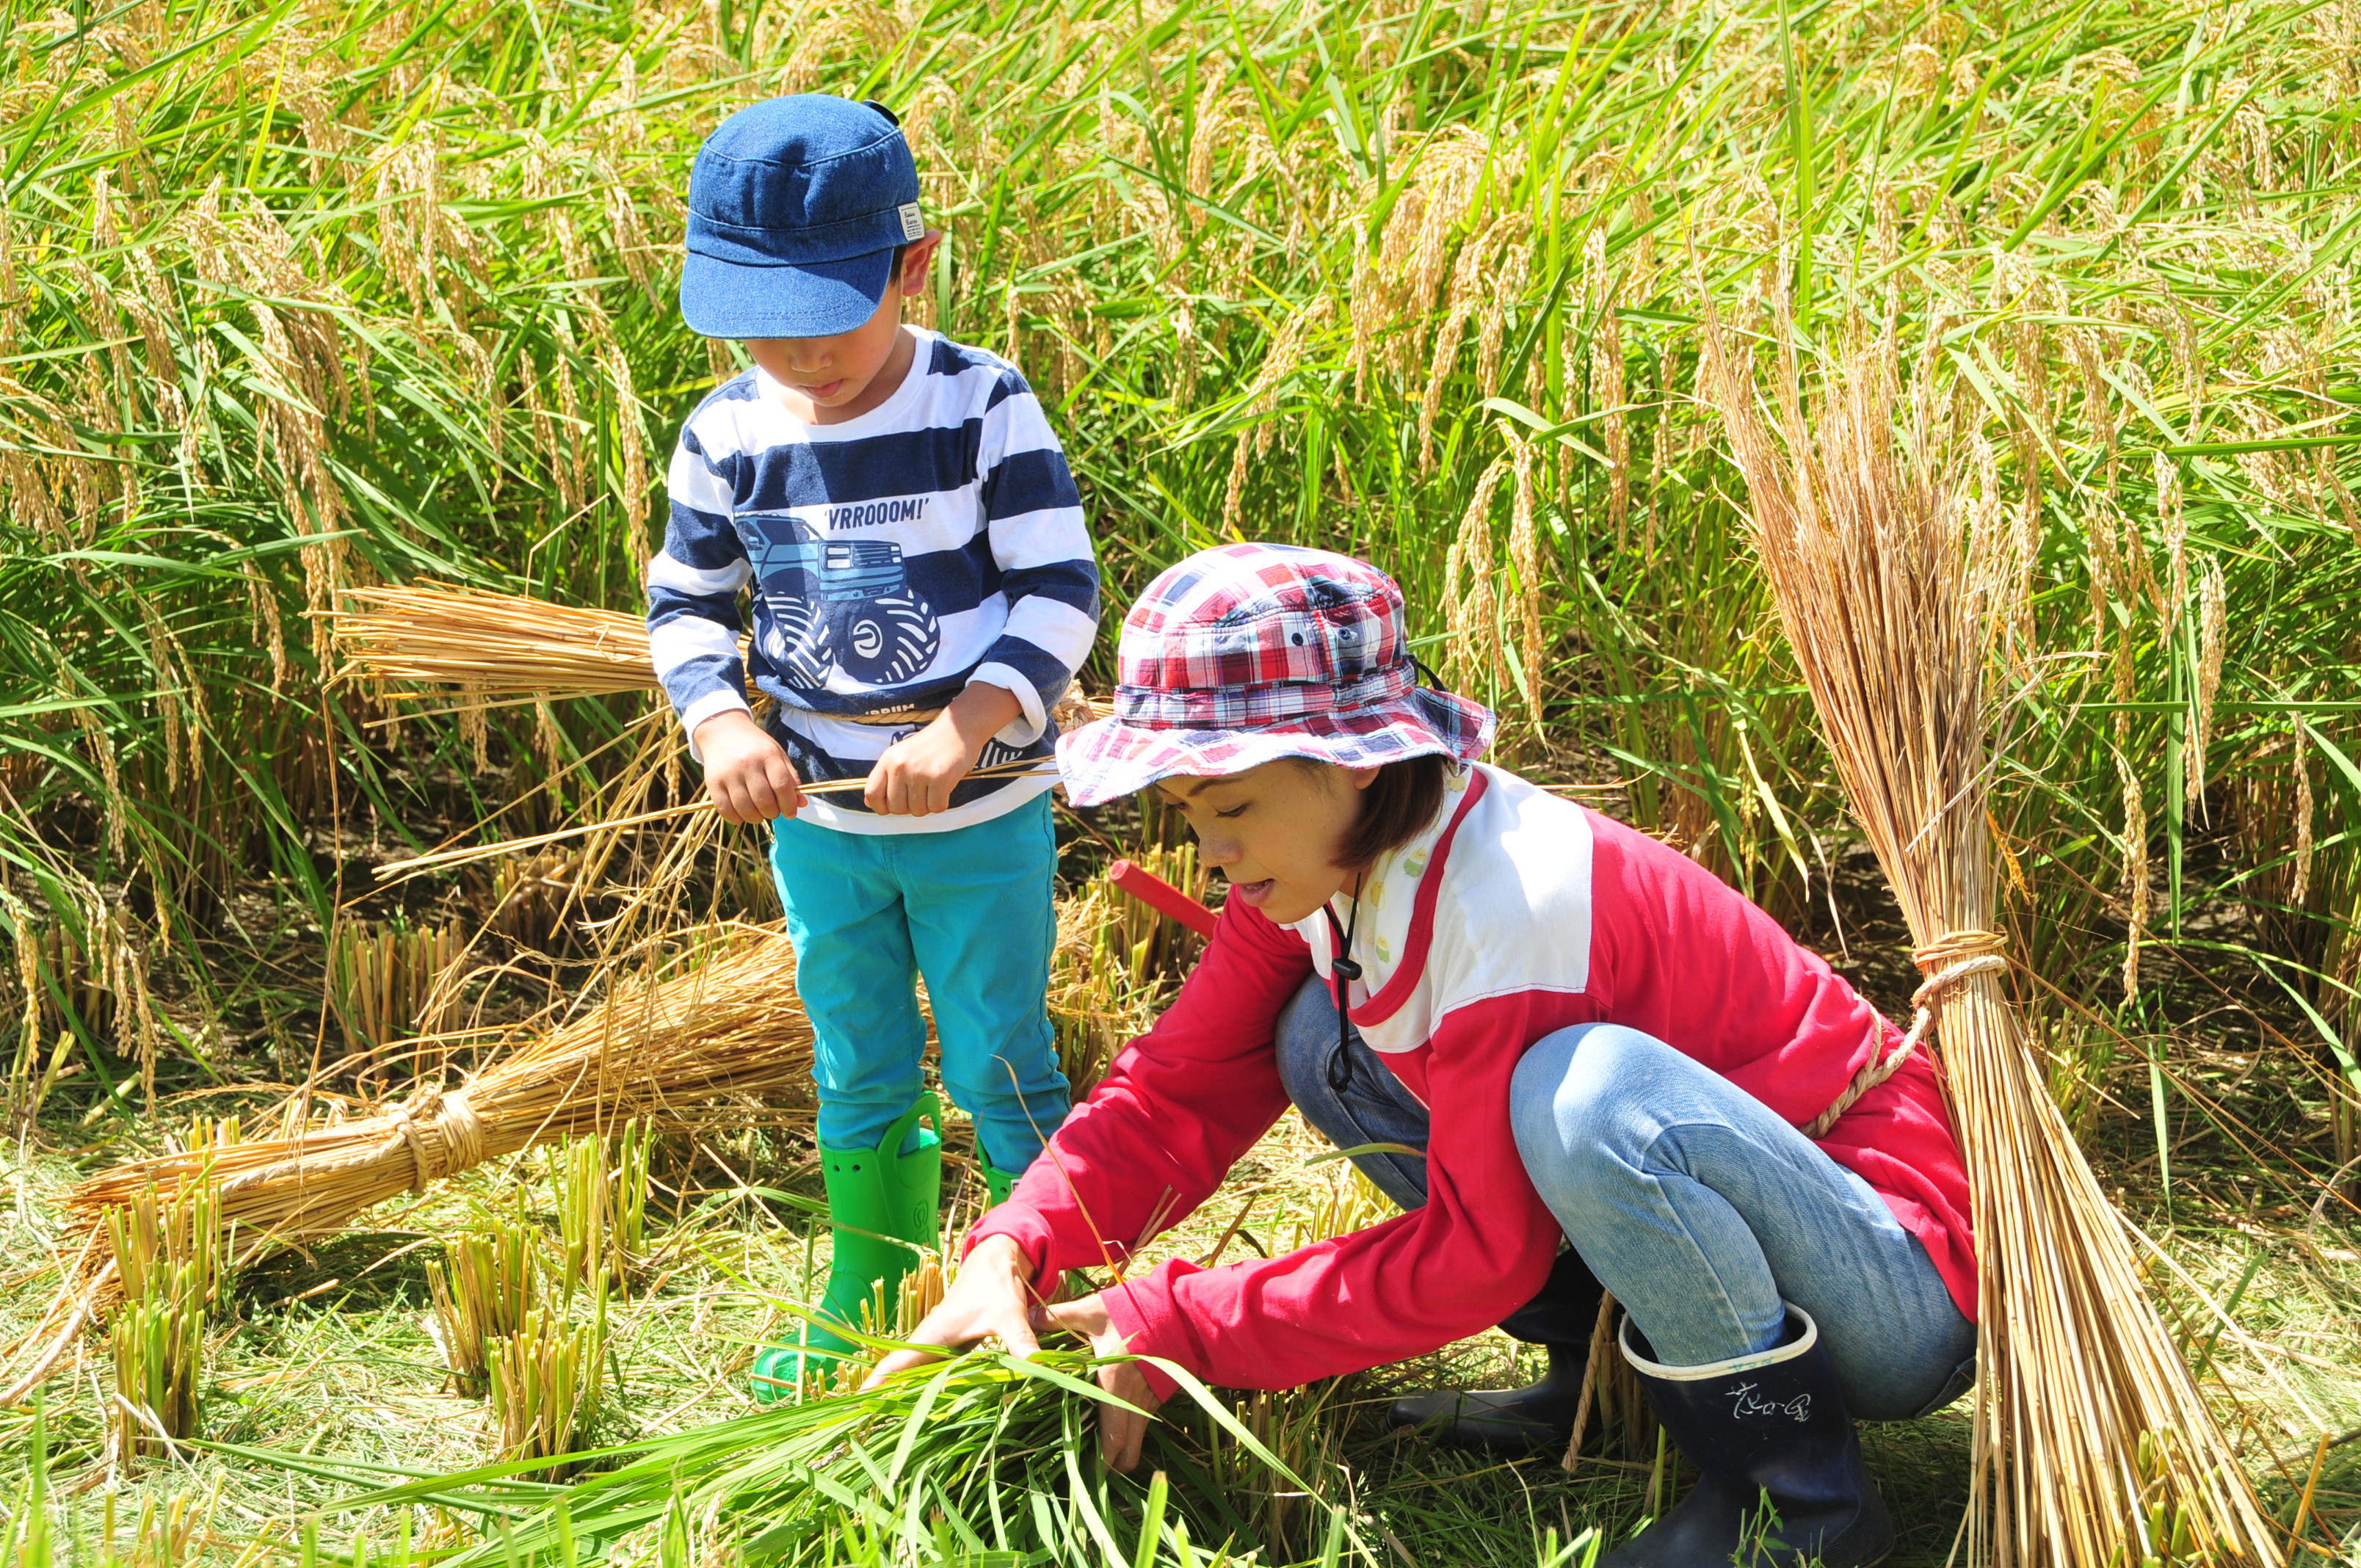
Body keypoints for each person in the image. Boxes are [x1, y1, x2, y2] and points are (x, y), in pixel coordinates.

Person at [872, 544, 1977, 1568]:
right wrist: (1017, 1246)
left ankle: (1794, 1503)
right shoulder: (1324, 873)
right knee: (1317, 1035)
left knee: (1580, 1097)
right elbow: (1181, 1083)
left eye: (1234, 807)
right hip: (1744, 1245)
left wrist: (1184, 1323)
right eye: (1187, 813)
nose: (1212, 853)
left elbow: (1480, 1252)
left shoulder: (1514, 904)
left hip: (1890, 1284)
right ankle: (1597, 1380)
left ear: (1351, 766)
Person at [646, 95, 1100, 1397]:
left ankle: (1044, 1271)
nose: (796, 357)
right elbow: (686, 603)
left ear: (913, 266)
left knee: (999, 1051)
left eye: (827, 320)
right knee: (854, 1053)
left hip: (978, 819)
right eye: (759, 326)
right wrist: (721, 717)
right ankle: (873, 1275)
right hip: (824, 829)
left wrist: (966, 725)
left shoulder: (979, 404)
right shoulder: (727, 434)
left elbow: (1059, 590)